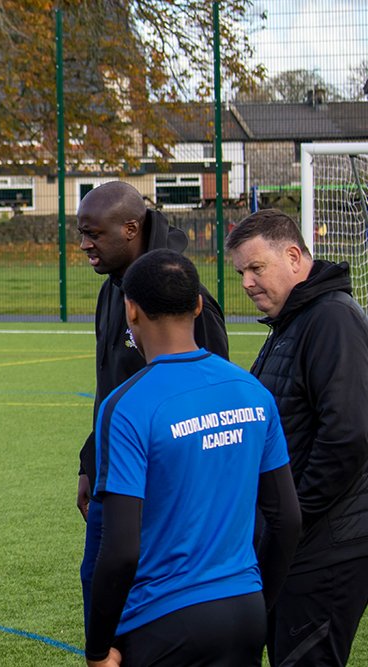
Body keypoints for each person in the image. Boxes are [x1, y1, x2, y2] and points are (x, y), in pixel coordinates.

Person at [84, 249, 301, 667]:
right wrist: (259, 599)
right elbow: (288, 520)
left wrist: (97, 647)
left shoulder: (127, 405)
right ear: (199, 305)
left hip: (164, 621)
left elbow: (121, 549)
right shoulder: (252, 391)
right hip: (245, 611)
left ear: (131, 311)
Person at [75, 180, 229, 624]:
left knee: (152, 607)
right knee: (99, 587)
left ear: (129, 228)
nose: (84, 244)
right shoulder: (112, 286)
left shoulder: (179, 294)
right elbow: (111, 388)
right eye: (81, 232)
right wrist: (91, 461)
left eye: (94, 233)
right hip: (112, 477)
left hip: (165, 490)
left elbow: (210, 396)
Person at [227, 208, 368, 666]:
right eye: (240, 272)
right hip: (296, 545)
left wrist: (295, 518)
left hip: (326, 548)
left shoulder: (331, 320)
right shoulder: (294, 320)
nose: (246, 282)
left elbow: (347, 434)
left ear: (292, 256)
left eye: (255, 268)